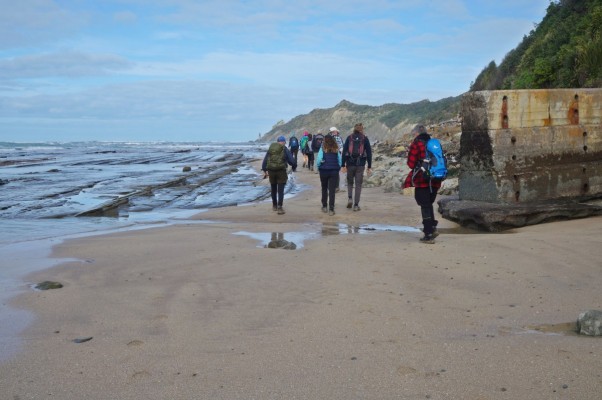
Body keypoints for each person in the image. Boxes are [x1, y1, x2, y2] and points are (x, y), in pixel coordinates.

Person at [403, 124, 442, 244]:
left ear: (416, 133)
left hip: (422, 179)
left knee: (424, 205)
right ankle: (432, 227)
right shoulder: (434, 143)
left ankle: (428, 234)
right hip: (436, 178)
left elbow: (410, 164)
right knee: (428, 204)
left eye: (413, 134)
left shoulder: (417, 144)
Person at [262, 135, 297, 215]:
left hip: (271, 171)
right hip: (281, 171)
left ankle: (274, 205)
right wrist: (294, 166)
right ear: (284, 142)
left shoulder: (271, 149)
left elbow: (265, 160)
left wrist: (264, 169)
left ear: (277, 141)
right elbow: (291, 161)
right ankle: (280, 207)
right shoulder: (285, 149)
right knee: (280, 190)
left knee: (273, 188)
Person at [342, 122, 372, 211]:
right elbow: (369, 153)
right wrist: (369, 166)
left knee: (350, 183)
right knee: (358, 185)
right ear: (362, 129)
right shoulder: (365, 139)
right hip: (360, 165)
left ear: (354, 129)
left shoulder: (349, 137)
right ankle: (356, 205)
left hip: (350, 164)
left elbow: (344, 152)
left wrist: (343, 165)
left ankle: (350, 198)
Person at [316, 134, 342, 215]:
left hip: (324, 171)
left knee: (324, 188)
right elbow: (339, 160)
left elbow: (319, 159)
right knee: (332, 190)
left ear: (325, 140)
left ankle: (324, 206)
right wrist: (338, 167)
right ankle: (331, 209)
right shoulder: (335, 148)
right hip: (334, 171)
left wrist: (319, 166)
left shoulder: (322, 148)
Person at [329, 126, 344, 191]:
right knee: (336, 171)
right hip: (337, 155)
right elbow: (341, 147)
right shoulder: (339, 137)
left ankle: (333, 186)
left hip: (331, 156)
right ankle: (336, 186)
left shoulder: (329, 138)